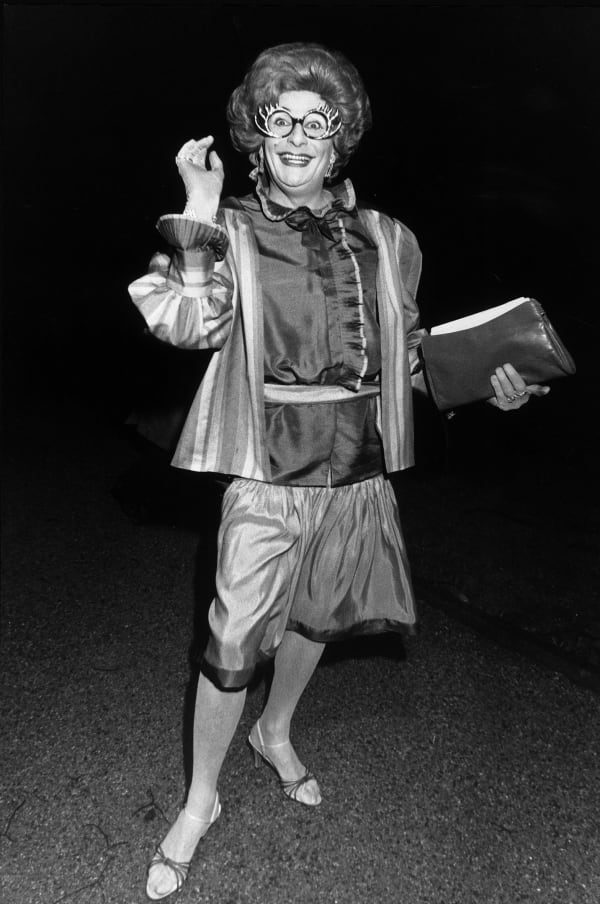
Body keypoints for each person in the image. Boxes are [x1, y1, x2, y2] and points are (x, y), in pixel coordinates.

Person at [128, 42, 548, 900]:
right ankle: (200, 798)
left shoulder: (390, 240)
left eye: (314, 123)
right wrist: (200, 208)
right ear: (257, 134)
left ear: (337, 141)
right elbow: (182, 322)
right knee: (232, 639)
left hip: (358, 468)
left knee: (321, 617)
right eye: (278, 119)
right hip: (268, 471)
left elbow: (411, 359)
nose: (294, 135)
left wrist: (483, 385)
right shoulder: (234, 230)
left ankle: (275, 732)